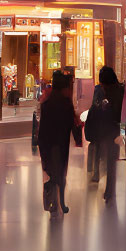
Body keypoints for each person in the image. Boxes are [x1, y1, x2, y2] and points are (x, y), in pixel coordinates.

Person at [37, 70, 82, 217]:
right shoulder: (66, 104)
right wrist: (78, 140)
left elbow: (42, 127)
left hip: (48, 143)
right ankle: (61, 202)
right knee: (61, 174)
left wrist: (40, 144)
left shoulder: (47, 104)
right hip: (61, 143)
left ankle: (53, 203)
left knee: (51, 173)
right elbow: (72, 124)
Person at [85, 66, 123, 202]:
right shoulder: (118, 91)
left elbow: (96, 108)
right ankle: (109, 189)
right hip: (111, 130)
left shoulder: (104, 91)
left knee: (108, 158)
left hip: (108, 129)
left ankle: (107, 187)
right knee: (110, 160)